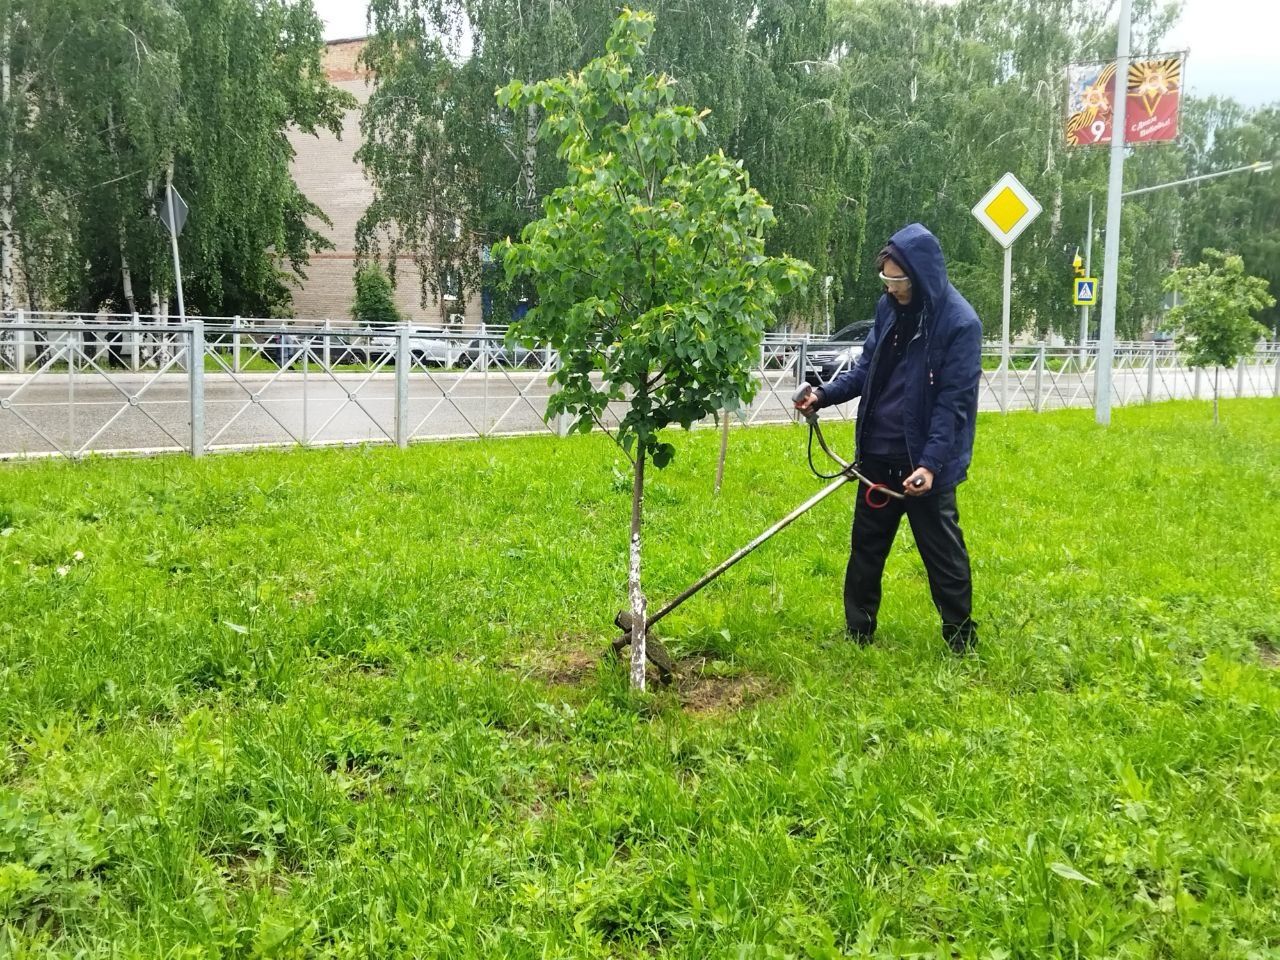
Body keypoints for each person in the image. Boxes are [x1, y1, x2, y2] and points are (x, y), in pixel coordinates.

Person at [795, 223, 981, 653]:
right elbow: (866, 371)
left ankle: (960, 638)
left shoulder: (959, 324)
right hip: (877, 456)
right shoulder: (888, 309)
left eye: (897, 280)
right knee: (865, 549)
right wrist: (823, 396)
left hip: (923, 463)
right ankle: (858, 632)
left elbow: (952, 406)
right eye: (886, 280)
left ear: (919, 276)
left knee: (942, 555)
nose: (891, 288)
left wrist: (930, 465)